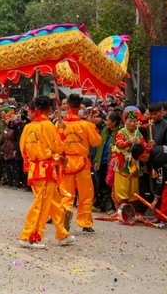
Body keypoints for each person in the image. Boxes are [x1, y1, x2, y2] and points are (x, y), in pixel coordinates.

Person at [18, 95, 74, 249]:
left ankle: (62, 234)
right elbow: (58, 147)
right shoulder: (47, 125)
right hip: (45, 169)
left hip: (35, 169)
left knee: (54, 202)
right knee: (42, 203)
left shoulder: (28, 127)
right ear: (49, 109)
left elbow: (23, 150)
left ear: (35, 109)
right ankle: (30, 236)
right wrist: (61, 134)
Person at [58, 94, 101, 233]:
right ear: (80, 107)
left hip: (66, 162)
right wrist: (92, 127)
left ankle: (67, 210)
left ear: (67, 106)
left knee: (66, 192)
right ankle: (85, 222)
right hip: (82, 162)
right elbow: (96, 142)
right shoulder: (86, 125)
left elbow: (55, 144)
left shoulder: (59, 124)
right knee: (86, 193)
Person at [131, 143, 167, 227]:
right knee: (166, 197)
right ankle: (163, 217)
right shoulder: (155, 150)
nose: (141, 161)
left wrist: (155, 199)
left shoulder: (159, 159)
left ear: (143, 155)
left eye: (140, 159)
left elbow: (161, 179)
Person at [110, 107, 147, 210]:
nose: (132, 123)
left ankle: (130, 210)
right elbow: (119, 144)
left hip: (134, 164)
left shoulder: (138, 133)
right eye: (130, 121)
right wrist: (130, 142)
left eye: (134, 121)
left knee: (133, 189)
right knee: (122, 188)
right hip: (123, 164)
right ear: (125, 121)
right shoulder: (121, 132)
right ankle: (121, 210)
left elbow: (144, 145)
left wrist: (149, 145)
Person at [93, 111, 122, 215]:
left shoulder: (120, 132)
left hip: (113, 162)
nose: (106, 122)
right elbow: (99, 146)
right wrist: (96, 160)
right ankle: (98, 205)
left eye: (108, 120)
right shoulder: (105, 131)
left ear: (114, 122)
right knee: (100, 184)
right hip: (102, 160)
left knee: (110, 185)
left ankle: (111, 207)